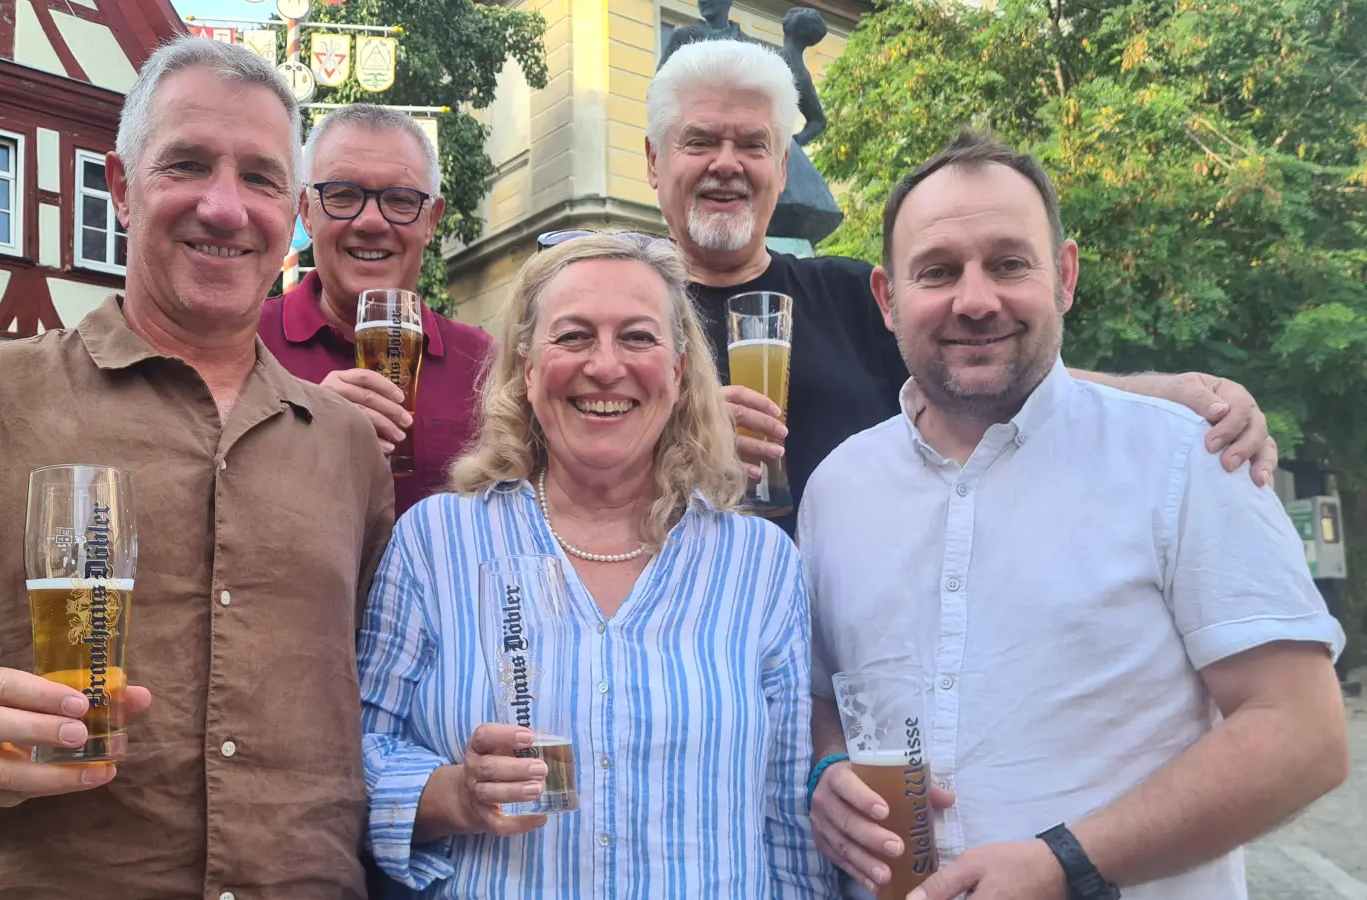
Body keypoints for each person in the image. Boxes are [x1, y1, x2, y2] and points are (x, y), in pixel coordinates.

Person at [0, 37, 395, 899]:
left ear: (295, 212)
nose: (225, 207)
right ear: (120, 187)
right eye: (186, 164)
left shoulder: (345, 447)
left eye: (261, 178)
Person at [801, 130, 1348, 900]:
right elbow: (828, 693)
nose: (976, 298)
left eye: (1009, 262)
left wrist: (1067, 861)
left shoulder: (1189, 458)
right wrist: (829, 765)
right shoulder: (838, 488)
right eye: (938, 271)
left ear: (1064, 275)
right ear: (889, 300)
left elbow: (1302, 734)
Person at [644, 39, 1279, 539]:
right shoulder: (616, 313)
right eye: (700, 141)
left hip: (856, 642)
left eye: (753, 144)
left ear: (781, 169)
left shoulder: (847, 293)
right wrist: (669, 438)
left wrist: (1176, 395)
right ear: (654, 161)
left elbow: (997, 377)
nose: (726, 163)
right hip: (680, 643)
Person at [356, 232, 834, 897]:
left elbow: (787, 823)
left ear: (677, 371)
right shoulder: (437, 543)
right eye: (573, 336)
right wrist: (453, 794)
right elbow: (355, 753)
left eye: (638, 338)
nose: (605, 367)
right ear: (527, 371)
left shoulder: (760, 565)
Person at [258, 104, 494, 516]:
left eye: (401, 200)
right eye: (343, 196)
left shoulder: (481, 364)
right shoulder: (245, 343)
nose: (370, 221)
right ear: (306, 212)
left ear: (431, 221)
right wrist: (296, 437)